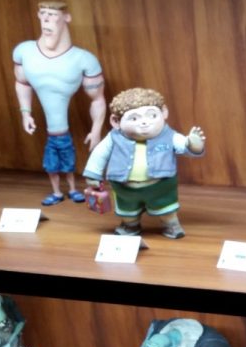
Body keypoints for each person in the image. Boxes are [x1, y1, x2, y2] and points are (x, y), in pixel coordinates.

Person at [13, 1, 107, 206]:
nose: (46, 18)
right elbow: (22, 82)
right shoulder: (24, 52)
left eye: (53, 14)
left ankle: (72, 189)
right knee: (52, 165)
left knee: (67, 163)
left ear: (66, 18)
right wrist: (25, 112)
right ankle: (57, 192)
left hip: (63, 136)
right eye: (43, 13)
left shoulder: (84, 60)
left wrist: (96, 130)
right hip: (52, 135)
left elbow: (98, 99)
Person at [83, 88, 205, 239]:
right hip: (124, 188)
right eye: (134, 118)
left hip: (160, 186)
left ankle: (171, 225)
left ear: (164, 113)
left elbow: (183, 145)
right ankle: (130, 226)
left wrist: (193, 144)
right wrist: (93, 174)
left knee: (166, 209)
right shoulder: (113, 138)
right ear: (116, 121)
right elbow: (99, 154)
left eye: (152, 115)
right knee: (128, 212)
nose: (144, 122)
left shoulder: (169, 135)